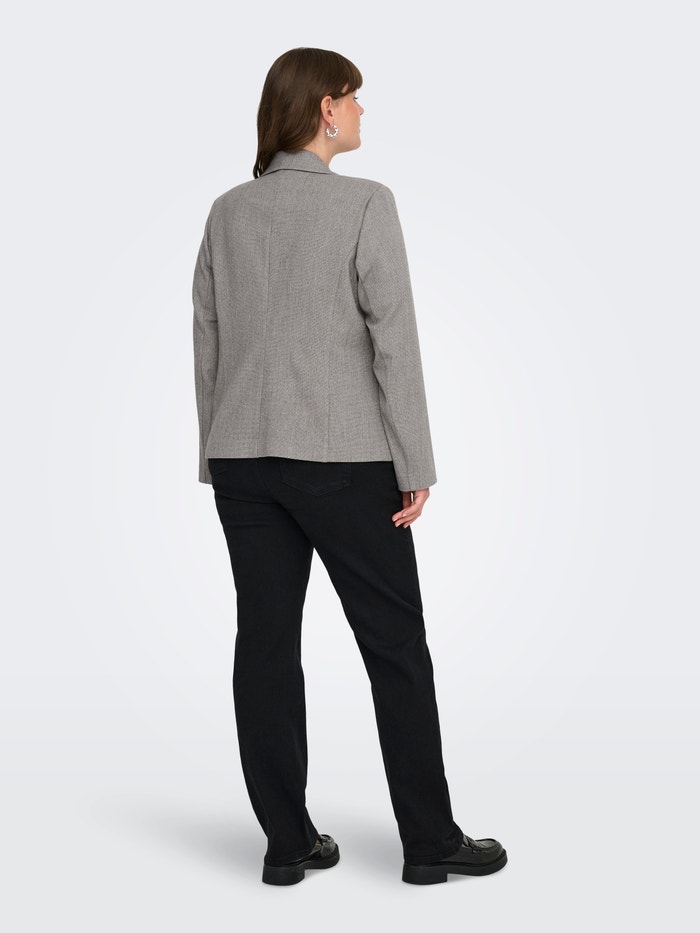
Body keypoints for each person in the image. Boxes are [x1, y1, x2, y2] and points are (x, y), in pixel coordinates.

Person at [192, 47, 507, 886]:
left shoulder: (227, 212)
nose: (363, 111)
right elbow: (392, 340)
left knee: (265, 644)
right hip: (344, 459)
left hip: (243, 459)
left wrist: (215, 454)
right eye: (355, 98)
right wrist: (415, 461)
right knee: (395, 644)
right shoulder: (365, 202)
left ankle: (287, 842)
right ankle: (429, 840)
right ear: (325, 110)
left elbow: (207, 340)